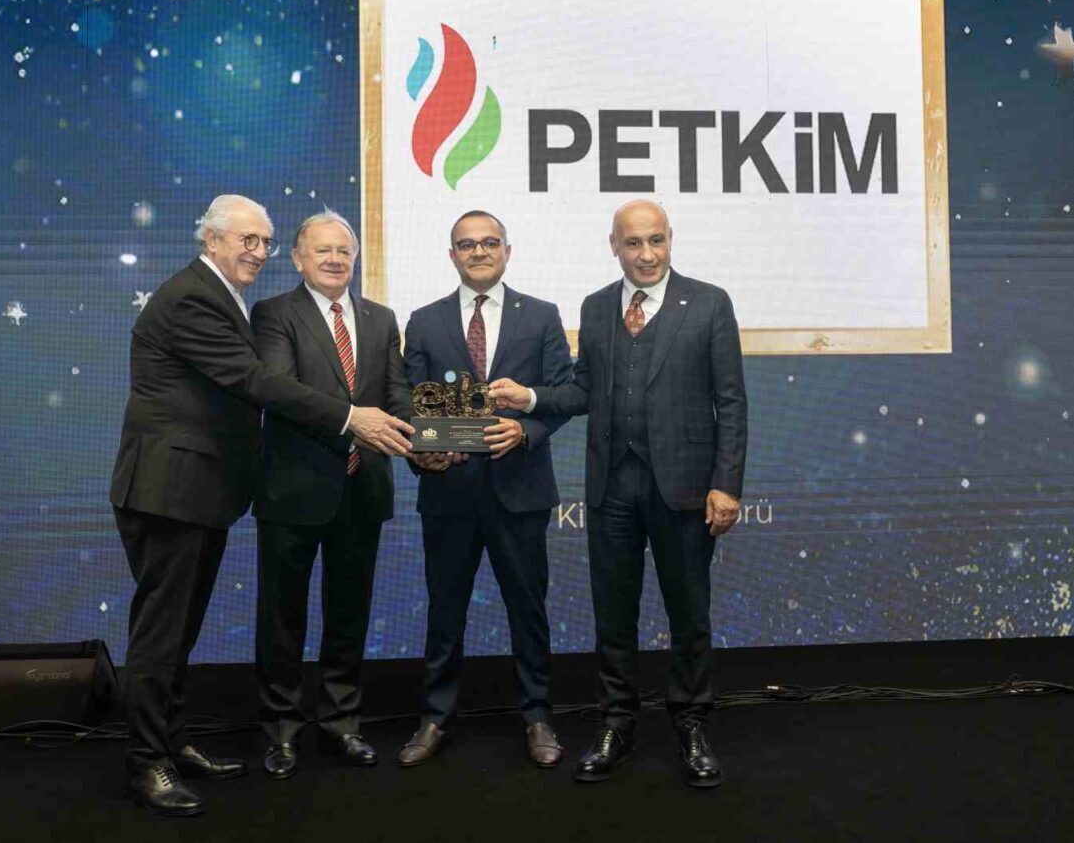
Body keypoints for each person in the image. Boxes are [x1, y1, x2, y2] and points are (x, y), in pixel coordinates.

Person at [111, 195, 413, 816]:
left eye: (262, 241)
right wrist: (351, 417)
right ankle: (146, 763)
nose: (256, 251)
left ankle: (170, 743)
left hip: (199, 490)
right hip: (170, 489)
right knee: (161, 634)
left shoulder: (223, 296)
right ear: (212, 239)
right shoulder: (195, 297)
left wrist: (429, 439)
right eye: (246, 239)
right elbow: (257, 382)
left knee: (179, 632)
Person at [489, 199, 747, 788]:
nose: (647, 254)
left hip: (685, 489)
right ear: (614, 246)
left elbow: (731, 402)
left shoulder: (710, 303)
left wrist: (726, 484)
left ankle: (692, 724)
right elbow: (582, 389)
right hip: (612, 488)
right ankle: (616, 724)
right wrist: (530, 397)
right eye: (634, 243)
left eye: (656, 240)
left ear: (670, 240)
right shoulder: (597, 306)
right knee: (613, 614)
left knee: (689, 613)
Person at [398, 211, 573, 768]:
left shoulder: (541, 316)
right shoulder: (424, 321)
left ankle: (538, 715)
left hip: (520, 490)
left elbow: (564, 394)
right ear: (452, 254)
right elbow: (408, 399)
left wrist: (527, 430)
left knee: (529, 610)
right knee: (444, 611)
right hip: (447, 492)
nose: (478, 251)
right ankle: (435, 716)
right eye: (467, 244)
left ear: (507, 251)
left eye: (489, 242)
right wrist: (423, 451)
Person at [250, 210, 413, 780]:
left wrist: (429, 441)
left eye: (344, 250)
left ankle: (342, 724)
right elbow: (279, 390)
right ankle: (281, 730)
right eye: (322, 250)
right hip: (293, 492)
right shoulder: (274, 314)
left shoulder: (380, 318)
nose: (335, 259)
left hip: (361, 489)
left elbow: (396, 396)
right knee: (282, 617)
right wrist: (352, 420)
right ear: (299, 259)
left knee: (349, 615)